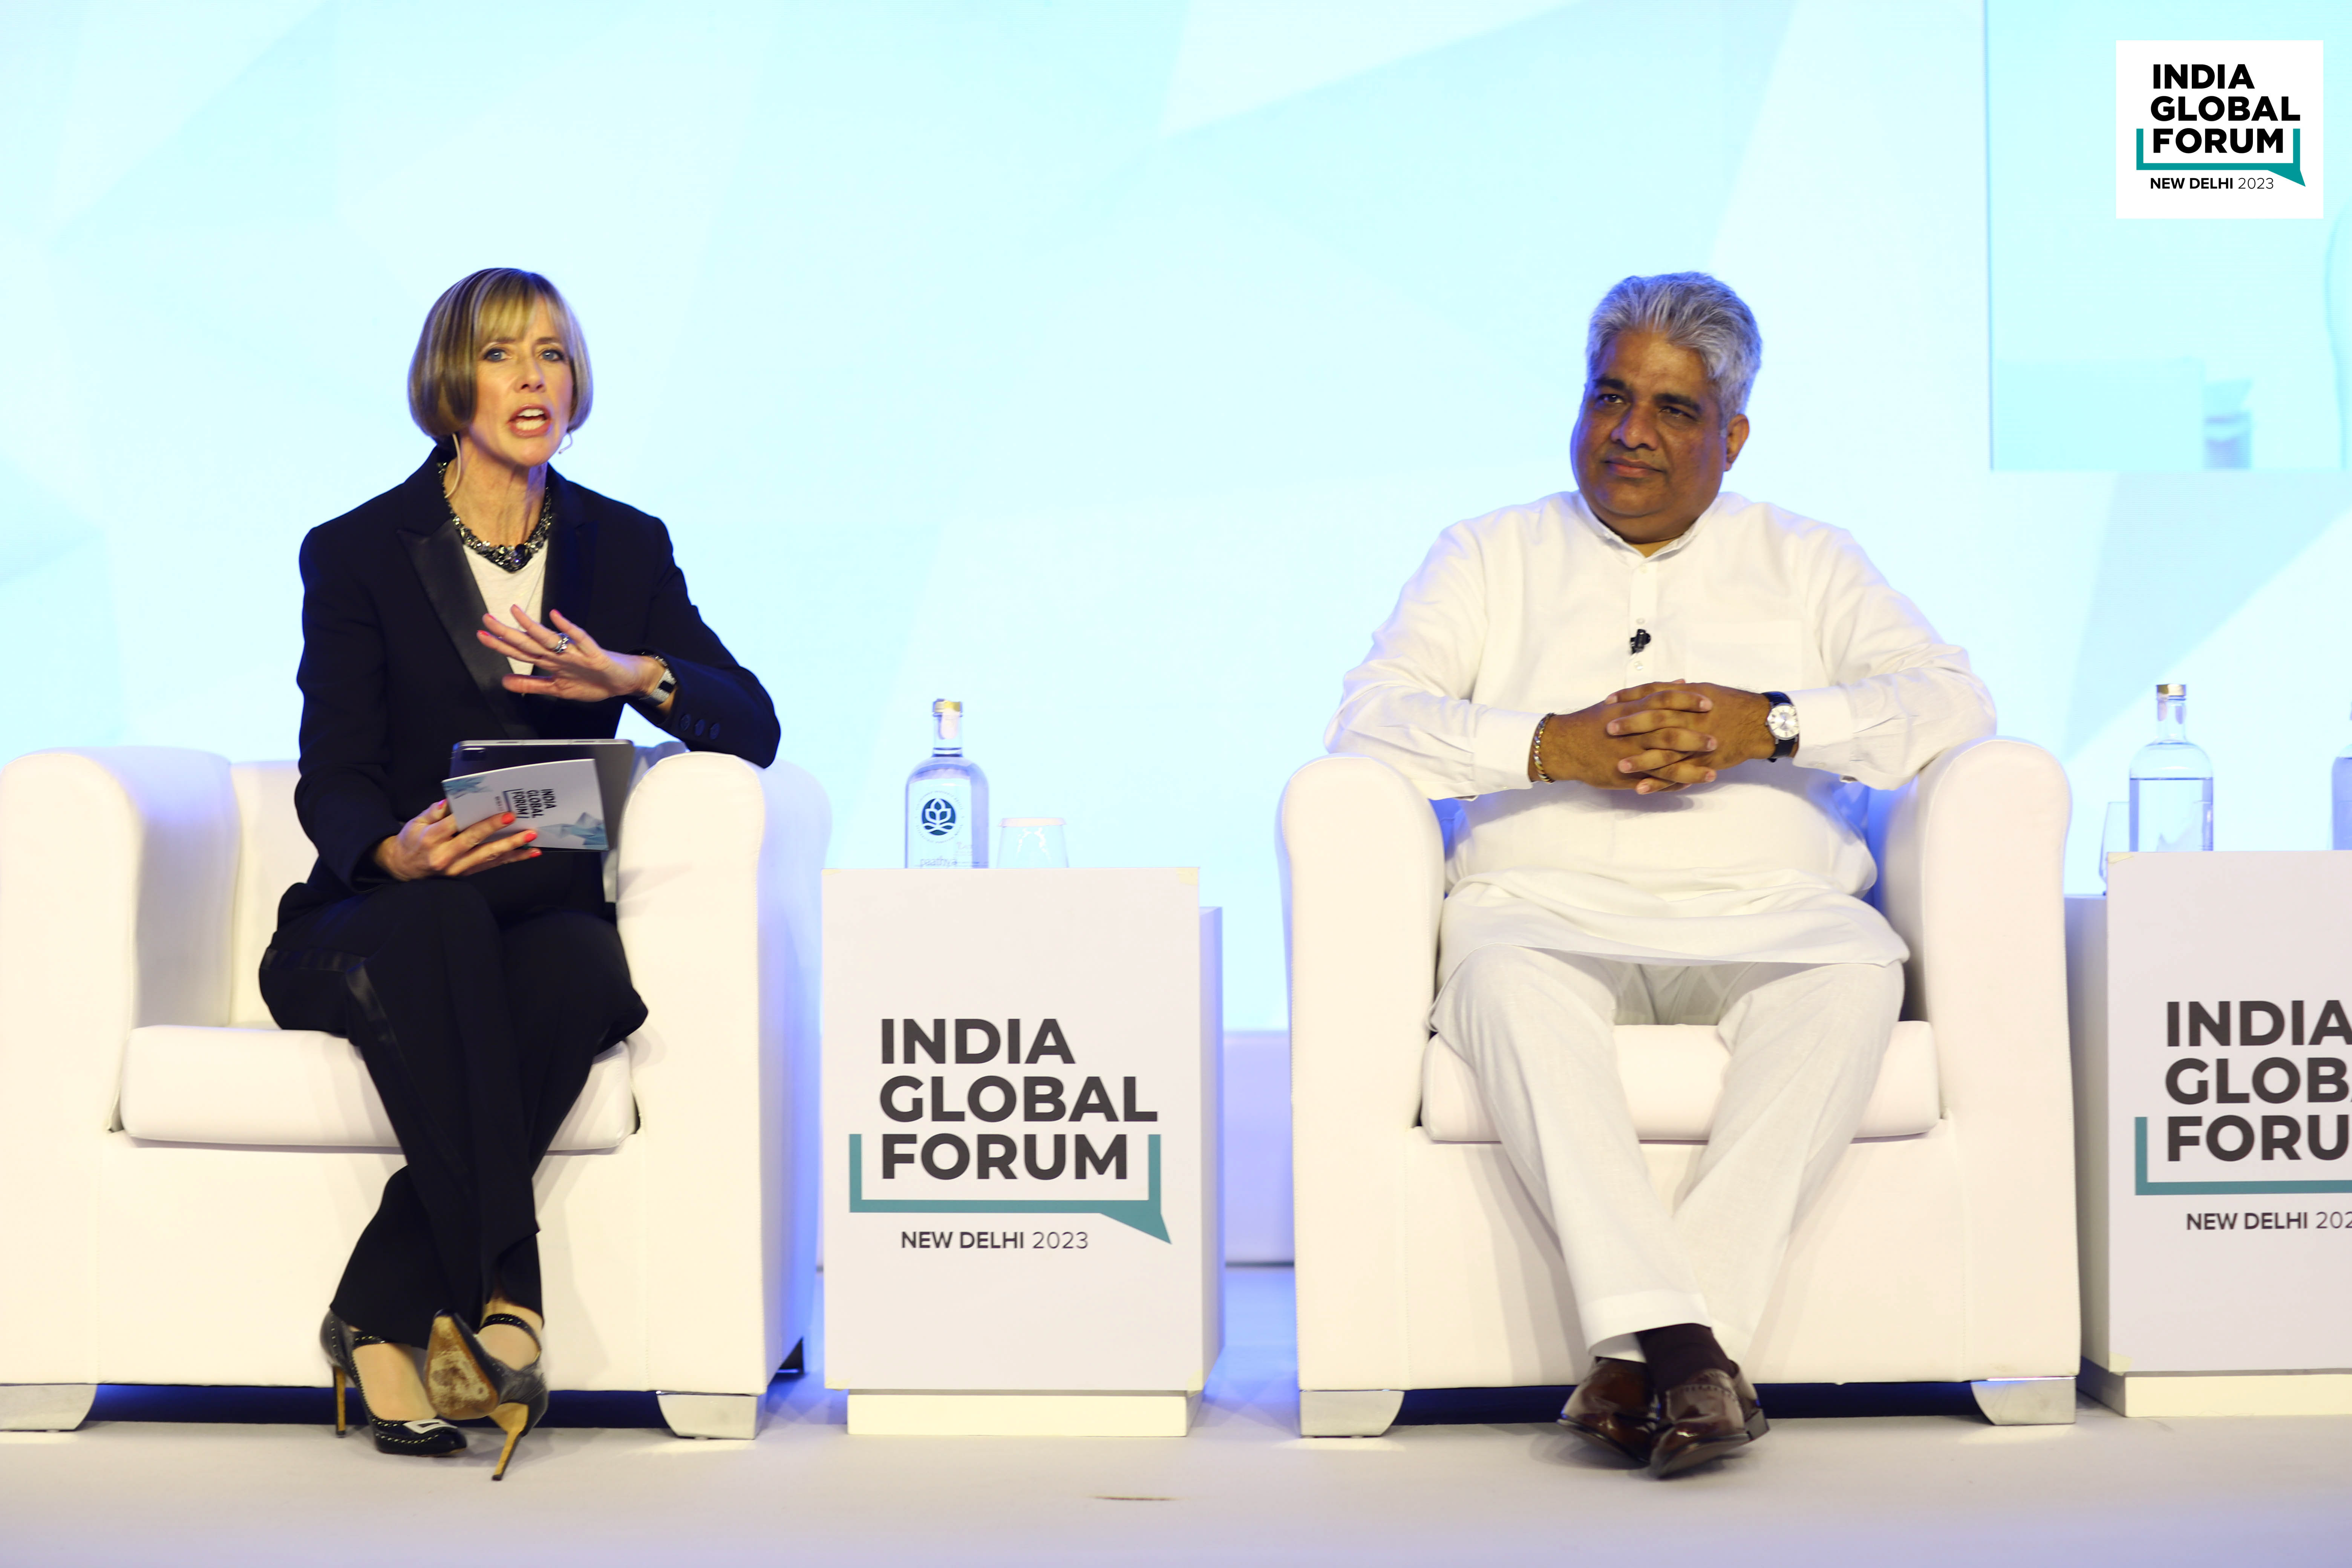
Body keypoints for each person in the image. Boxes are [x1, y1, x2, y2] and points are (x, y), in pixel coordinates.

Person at [1326, 273, 1992, 1478]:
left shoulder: (1808, 558)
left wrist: (1771, 724)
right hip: (1545, 919)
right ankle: (1691, 1354)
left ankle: (1640, 1363)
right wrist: (1550, 745)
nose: (1630, 432)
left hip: (1774, 922)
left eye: (1675, 411)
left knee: (1854, 980)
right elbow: (1370, 719)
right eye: (1610, 396)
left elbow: (1953, 701)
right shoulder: (1488, 553)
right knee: (1504, 987)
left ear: (1732, 438)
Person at [264, 268, 779, 1475]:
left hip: (540, 907)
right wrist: (391, 848)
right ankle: (509, 1300)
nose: (534, 378)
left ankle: (375, 1314)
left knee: (587, 976)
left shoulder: (625, 546)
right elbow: (332, 773)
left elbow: (751, 723)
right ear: (454, 384)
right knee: (444, 926)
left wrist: (634, 678)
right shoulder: (357, 551)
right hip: (383, 917)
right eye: (502, 355)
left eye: (552, 353)